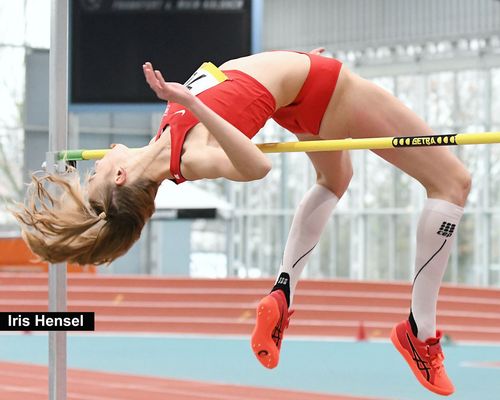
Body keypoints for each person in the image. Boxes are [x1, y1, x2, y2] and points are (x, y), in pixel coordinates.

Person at [14, 49, 470, 396]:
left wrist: (189, 102)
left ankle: (283, 290)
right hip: (326, 89)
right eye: (93, 176)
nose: (93, 166)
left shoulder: (162, 141)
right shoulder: (187, 157)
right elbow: (256, 167)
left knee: (335, 179)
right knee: (453, 182)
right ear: (119, 177)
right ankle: (420, 332)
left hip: (297, 97)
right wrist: (191, 103)